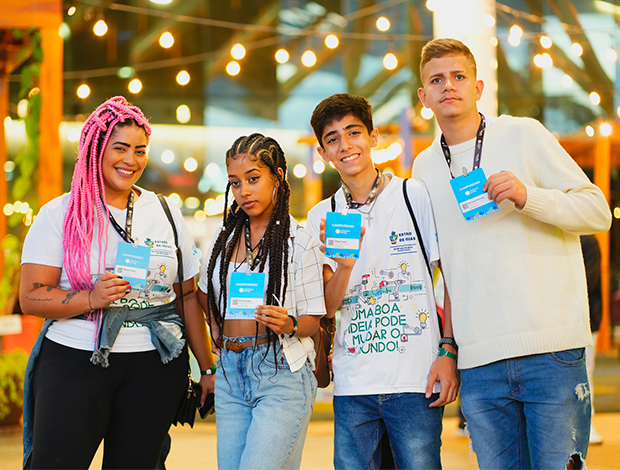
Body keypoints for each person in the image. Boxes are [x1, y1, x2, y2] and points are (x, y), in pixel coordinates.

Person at [413, 38, 611, 469]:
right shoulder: (425, 169)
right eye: (437, 79)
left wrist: (528, 196)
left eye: (459, 76)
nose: (449, 86)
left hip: (551, 352)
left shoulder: (524, 133)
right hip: (480, 361)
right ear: (423, 96)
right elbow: (444, 270)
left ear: (479, 87)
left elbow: (597, 211)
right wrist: (448, 347)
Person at [20, 96, 215, 469]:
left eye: (140, 150)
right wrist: (90, 297)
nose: (131, 160)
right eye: (120, 148)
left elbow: (187, 296)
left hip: (153, 365)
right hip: (75, 360)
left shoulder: (165, 211)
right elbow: (30, 297)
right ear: (95, 147)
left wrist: (205, 369)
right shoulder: (60, 213)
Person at [306, 93, 458, 470]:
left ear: (373, 138)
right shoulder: (322, 215)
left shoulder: (413, 195)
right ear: (324, 153)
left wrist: (448, 351)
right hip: (354, 383)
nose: (345, 145)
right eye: (333, 138)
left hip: (416, 379)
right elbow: (324, 307)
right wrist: (343, 267)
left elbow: (453, 278)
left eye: (353, 132)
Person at [197, 133, 325, 470]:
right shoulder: (222, 238)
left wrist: (290, 324)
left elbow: (314, 319)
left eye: (253, 179)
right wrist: (215, 326)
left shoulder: (301, 242)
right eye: (235, 183)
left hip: (279, 371)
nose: (244, 191)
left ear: (277, 177)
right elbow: (202, 291)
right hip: (229, 373)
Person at [580, 234, 604, 445]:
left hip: (586, 319)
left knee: (586, 372)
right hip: (557, 322)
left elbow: (590, 280)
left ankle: (587, 423)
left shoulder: (587, 239)